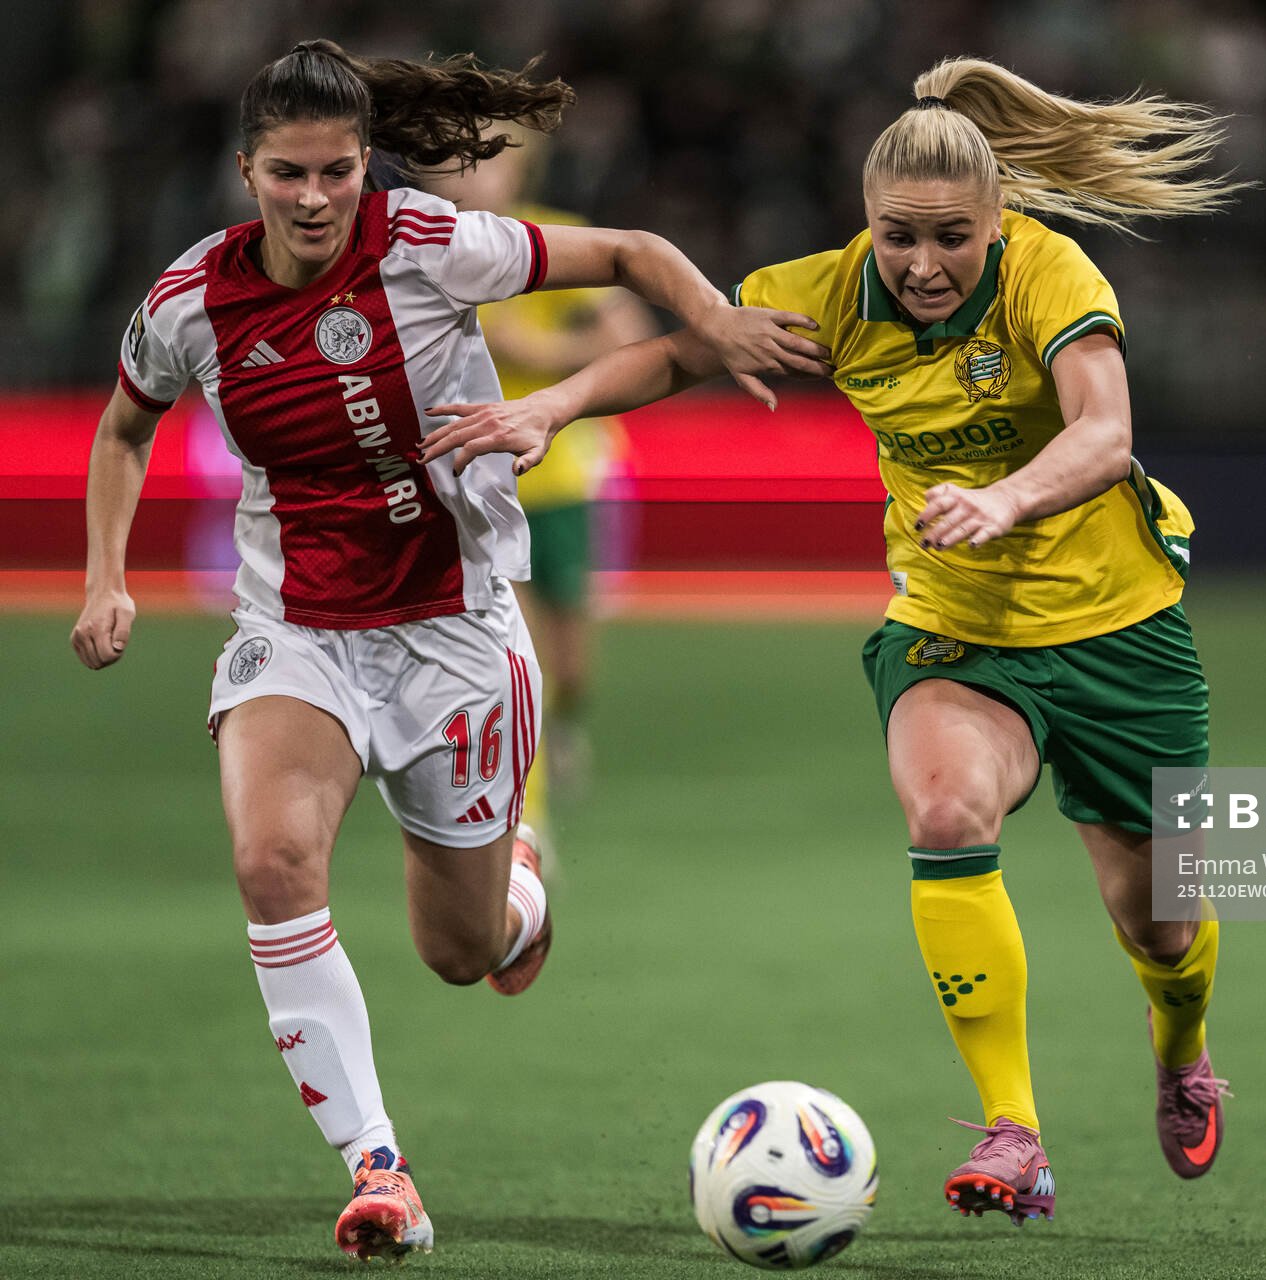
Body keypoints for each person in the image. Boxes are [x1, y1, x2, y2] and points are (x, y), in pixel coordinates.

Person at [423, 56, 1242, 1225]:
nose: (920, 264)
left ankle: (1182, 1042)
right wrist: (551, 405)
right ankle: (1016, 1128)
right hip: (952, 627)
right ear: (866, 222)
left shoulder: (1049, 274)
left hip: (1121, 631)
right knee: (948, 811)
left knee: (1159, 918)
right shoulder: (829, 294)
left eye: (950, 238)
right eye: (896, 236)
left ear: (997, 217)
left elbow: (1103, 432)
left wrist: (1007, 498)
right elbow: (675, 353)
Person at [68, 39, 826, 1262]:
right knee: (272, 862)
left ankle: (518, 891)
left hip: (453, 631)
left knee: (458, 951)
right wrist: (105, 577)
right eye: (287, 174)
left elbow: (630, 254)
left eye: (336, 171)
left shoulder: (431, 244)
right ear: (245, 169)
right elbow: (123, 428)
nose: (314, 199)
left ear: (365, 164)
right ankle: (379, 1166)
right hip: (296, 628)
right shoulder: (188, 302)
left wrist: (718, 321)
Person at [423, 132, 658, 825]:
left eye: (489, 161)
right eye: (454, 164)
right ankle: (526, 818)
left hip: (562, 481)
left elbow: (632, 335)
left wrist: (543, 350)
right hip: (475, 485)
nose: (471, 178)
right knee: (512, 658)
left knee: (570, 667)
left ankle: (559, 733)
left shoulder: (558, 242)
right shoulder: (428, 253)